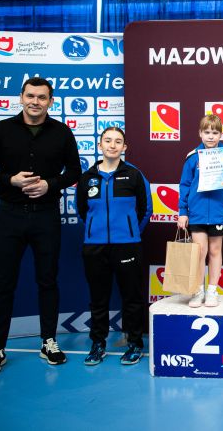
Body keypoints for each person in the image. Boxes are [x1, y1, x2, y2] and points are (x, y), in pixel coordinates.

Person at [0, 77, 81, 375]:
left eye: (42, 97)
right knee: (4, 284)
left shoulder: (62, 132)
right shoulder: (2, 130)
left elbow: (74, 170)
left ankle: (49, 341)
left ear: (51, 101)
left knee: (48, 280)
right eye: (31, 96)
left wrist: (50, 184)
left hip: (46, 215)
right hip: (9, 216)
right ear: (21, 97)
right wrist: (10, 180)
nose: (36, 102)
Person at [76, 127, 152, 366]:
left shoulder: (134, 175)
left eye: (118, 141)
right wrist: (94, 231)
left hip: (127, 245)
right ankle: (98, 344)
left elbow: (146, 209)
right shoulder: (87, 177)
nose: (112, 145)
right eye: (108, 141)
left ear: (124, 147)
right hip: (94, 247)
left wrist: (130, 233)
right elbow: (81, 210)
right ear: (100, 145)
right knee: (98, 299)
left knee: (132, 297)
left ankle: (135, 343)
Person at [178, 114, 223, 308]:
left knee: (215, 251)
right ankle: (198, 291)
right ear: (200, 133)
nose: (211, 136)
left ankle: (212, 290)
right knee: (199, 252)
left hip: (217, 213)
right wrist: (183, 211)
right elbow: (185, 185)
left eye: (215, 133)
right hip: (197, 213)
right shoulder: (192, 157)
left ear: (221, 134)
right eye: (207, 132)